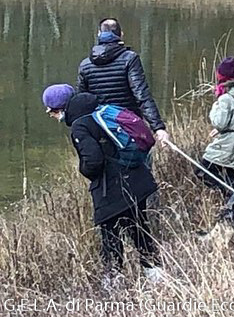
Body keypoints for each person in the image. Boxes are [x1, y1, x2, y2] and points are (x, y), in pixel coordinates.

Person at [42, 84, 165, 285]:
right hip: (136, 180)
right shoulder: (99, 109)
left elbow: (94, 161)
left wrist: (83, 169)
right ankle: (155, 274)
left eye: (51, 110)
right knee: (139, 227)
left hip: (111, 189)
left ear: (59, 108)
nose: (50, 114)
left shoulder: (80, 126)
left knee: (111, 235)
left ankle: (113, 282)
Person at [77, 18, 169, 146]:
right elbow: (141, 95)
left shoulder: (85, 65)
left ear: (99, 34)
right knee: (137, 164)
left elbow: (81, 103)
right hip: (129, 127)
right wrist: (158, 127)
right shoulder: (130, 59)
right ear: (121, 35)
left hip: (101, 129)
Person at [196, 57, 234, 239]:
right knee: (231, 188)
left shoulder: (227, 98)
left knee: (203, 170)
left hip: (228, 143)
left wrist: (217, 104)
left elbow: (219, 121)